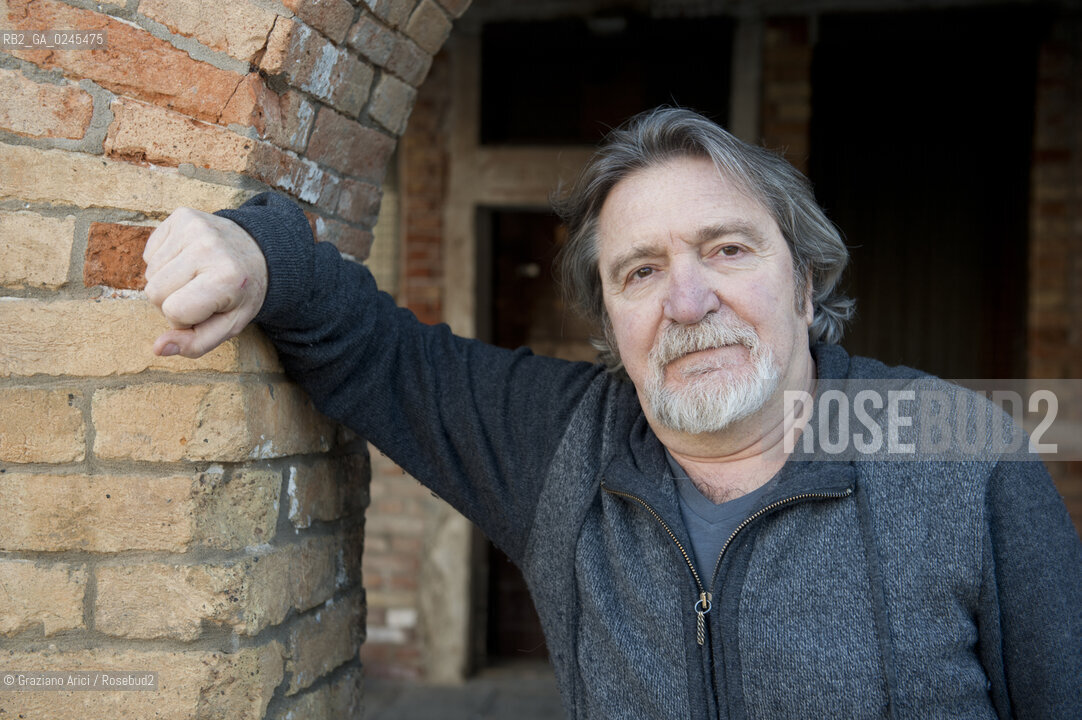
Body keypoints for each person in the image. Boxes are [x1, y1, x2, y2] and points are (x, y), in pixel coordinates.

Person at [143, 107, 1082, 719]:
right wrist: (258, 253)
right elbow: (379, 353)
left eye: (728, 250)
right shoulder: (563, 445)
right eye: (641, 272)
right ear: (609, 323)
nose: (688, 302)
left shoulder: (964, 455)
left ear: (804, 285)